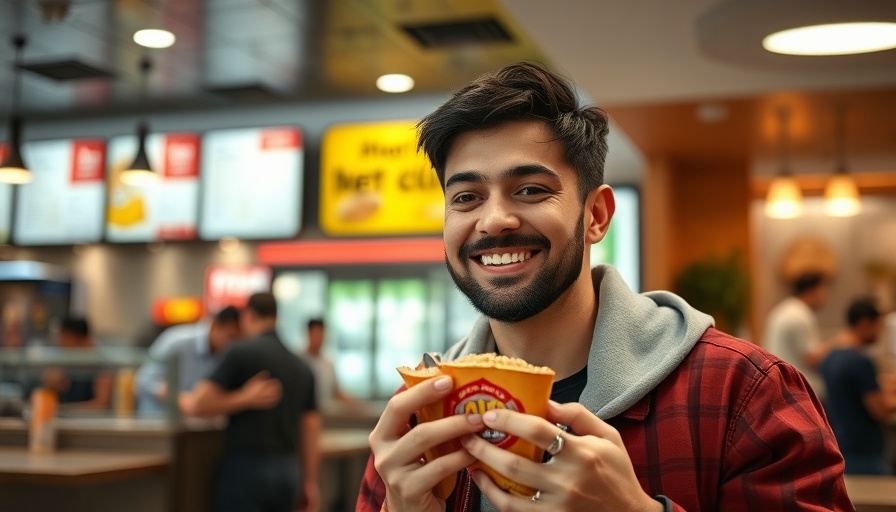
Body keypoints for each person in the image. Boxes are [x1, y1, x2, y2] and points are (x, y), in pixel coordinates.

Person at [358, 62, 850, 511]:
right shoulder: (418, 420)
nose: (495, 220)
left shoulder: (741, 393)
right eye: (466, 197)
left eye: (530, 190)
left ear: (596, 216)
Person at [185, 292, 320, 512]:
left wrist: (244, 398)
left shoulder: (240, 353)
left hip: (246, 469)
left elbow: (199, 403)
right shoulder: (302, 367)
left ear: (248, 315)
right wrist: (310, 481)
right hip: (288, 471)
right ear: (276, 317)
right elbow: (311, 427)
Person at [821, 297, 896, 475]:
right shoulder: (859, 361)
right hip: (865, 453)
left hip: (842, 445)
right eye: (878, 326)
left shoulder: (831, 357)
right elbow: (881, 410)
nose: (880, 332)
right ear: (864, 323)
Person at [134, 306, 242, 415]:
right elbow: (145, 380)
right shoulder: (177, 341)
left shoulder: (226, 355)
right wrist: (180, 398)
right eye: (231, 337)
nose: (233, 345)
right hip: (158, 424)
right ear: (215, 326)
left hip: (197, 427)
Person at [763, 271, 831, 400]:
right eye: (823, 291)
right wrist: (841, 342)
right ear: (813, 291)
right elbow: (811, 358)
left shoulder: (782, 309)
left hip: (777, 383)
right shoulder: (800, 315)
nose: (825, 296)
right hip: (797, 390)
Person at [40, 317, 113, 410]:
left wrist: (65, 410)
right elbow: (47, 399)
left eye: (65, 339)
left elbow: (102, 405)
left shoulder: (101, 365)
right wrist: (50, 386)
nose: (60, 344)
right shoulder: (64, 363)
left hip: (88, 422)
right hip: (65, 420)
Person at [300, 317, 355, 409]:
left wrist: (355, 404)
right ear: (308, 334)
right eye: (315, 334)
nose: (318, 339)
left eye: (321, 335)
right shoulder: (299, 361)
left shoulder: (328, 364)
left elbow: (336, 391)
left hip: (324, 414)